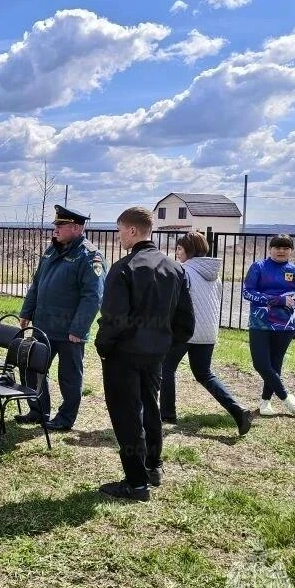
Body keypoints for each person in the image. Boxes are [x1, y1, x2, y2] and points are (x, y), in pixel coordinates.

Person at [95, 207, 194, 502]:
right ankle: (153, 466)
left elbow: (114, 318)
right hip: (155, 354)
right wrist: (165, 345)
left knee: (127, 416)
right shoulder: (175, 268)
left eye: (120, 230)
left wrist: (103, 347)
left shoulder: (123, 268)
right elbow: (185, 320)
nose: (119, 236)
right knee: (151, 409)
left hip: (123, 355)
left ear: (133, 230)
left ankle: (136, 483)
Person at [18, 205, 105, 431]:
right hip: (43, 325)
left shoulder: (89, 256)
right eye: (55, 225)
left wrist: (79, 329)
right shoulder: (51, 251)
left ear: (76, 228)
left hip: (68, 331)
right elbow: (37, 284)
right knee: (33, 368)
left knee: (69, 377)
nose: (55, 229)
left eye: (61, 225)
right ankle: (38, 410)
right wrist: (26, 311)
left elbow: (92, 296)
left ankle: (65, 418)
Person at [161, 231, 256, 436]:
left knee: (166, 368)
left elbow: (174, 302)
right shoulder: (214, 275)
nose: (177, 253)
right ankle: (238, 411)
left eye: (179, 248)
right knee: (204, 374)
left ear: (188, 250)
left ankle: (167, 414)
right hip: (208, 332)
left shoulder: (182, 271)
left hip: (185, 330)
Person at [242, 234, 295, 417]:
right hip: (260, 324)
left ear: (291, 251)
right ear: (270, 249)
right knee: (261, 364)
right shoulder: (258, 267)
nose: (281, 251)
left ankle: (265, 403)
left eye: (286, 248)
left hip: (285, 327)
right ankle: (287, 398)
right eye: (277, 247)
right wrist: (278, 300)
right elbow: (247, 292)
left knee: (275, 364)